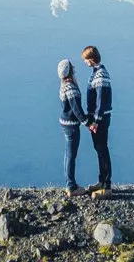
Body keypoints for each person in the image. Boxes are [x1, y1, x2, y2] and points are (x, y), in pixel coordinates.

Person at [81, 44, 112, 194]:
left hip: (100, 119)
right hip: (96, 118)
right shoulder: (96, 73)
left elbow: (100, 101)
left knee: (102, 149)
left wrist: (95, 121)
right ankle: (101, 181)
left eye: (86, 59)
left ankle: (107, 185)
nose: (85, 62)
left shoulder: (100, 75)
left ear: (91, 59)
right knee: (99, 149)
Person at [58, 59, 86, 192]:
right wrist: (87, 123)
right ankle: (71, 186)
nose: (74, 69)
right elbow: (77, 109)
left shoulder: (63, 85)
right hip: (71, 125)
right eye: (72, 67)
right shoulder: (71, 88)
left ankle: (69, 183)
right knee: (71, 155)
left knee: (68, 154)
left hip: (65, 123)